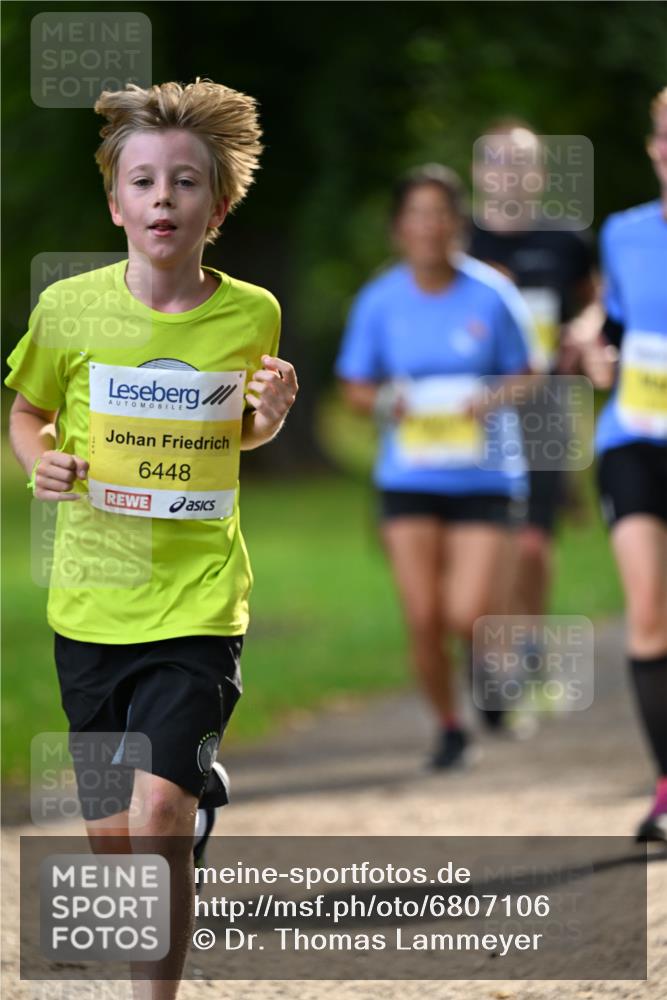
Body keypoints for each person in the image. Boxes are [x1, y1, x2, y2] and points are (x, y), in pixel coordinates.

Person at [5, 79, 298, 997]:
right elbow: (29, 414)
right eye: (143, 181)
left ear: (218, 202)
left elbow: (234, 433)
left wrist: (272, 418)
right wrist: (41, 463)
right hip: (91, 600)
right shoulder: (70, 309)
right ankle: (185, 811)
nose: (162, 198)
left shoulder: (252, 313)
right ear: (115, 201)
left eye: (183, 182)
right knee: (115, 836)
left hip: (199, 598)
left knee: (157, 809)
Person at [335, 164, 536, 769]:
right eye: (417, 214)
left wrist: (489, 401)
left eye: (441, 213)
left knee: (467, 612)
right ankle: (450, 727)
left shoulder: (491, 294)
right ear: (399, 227)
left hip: (485, 474)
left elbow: (529, 373)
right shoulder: (379, 299)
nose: (430, 226)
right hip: (410, 477)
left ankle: (490, 662)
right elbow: (354, 386)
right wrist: (390, 402)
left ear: (459, 222)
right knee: (423, 616)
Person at [580, 88, 667, 842]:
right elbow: (608, 318)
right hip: (633, 436)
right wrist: (593, 345)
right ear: (653, 147)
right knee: (647, 611)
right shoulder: (624, 233)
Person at [469, 120, 596, 624]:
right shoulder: (459, 240)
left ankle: (530, 641)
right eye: (498, 160)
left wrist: (584, 329)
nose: (510, 173)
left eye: (522, 161)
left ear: (540, 174)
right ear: (480, 172)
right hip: (474, 409)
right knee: (486, 538)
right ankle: (487, 636)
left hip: (544, 408)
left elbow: (597, 303)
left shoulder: (567, 241)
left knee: (533, 542)